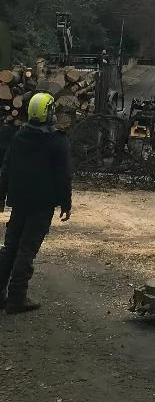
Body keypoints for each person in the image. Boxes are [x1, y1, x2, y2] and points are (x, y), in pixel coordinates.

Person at [0, 92, 72, 314]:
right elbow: (63, 175)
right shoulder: (57, 141)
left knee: (10, 247)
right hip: (42, 205)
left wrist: (1, 197)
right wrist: (66, 203)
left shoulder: (19, 136)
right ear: (48, 113)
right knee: (26, 250)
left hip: (19, 202)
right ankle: (17, 298)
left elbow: (6, 168)